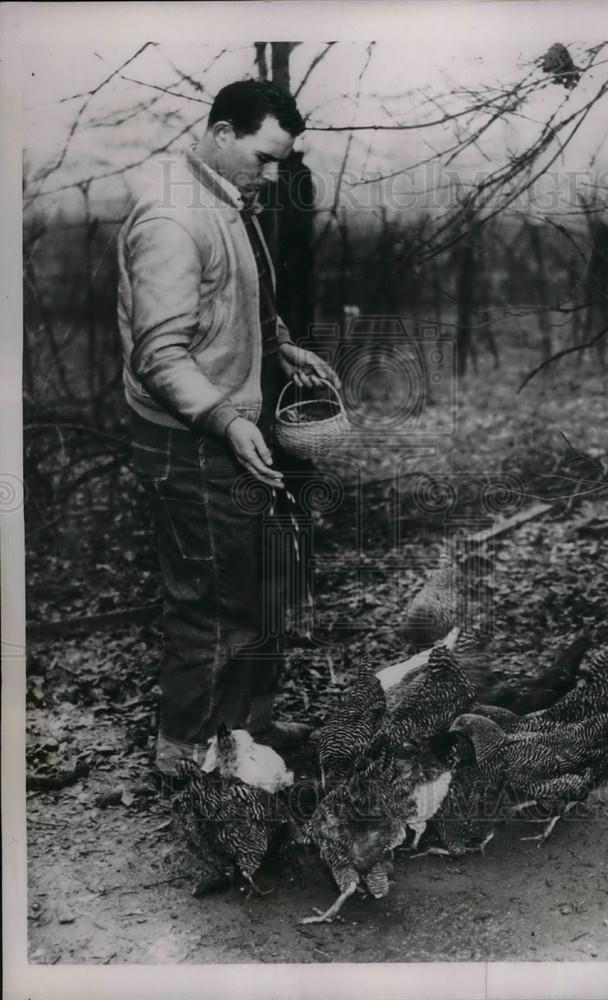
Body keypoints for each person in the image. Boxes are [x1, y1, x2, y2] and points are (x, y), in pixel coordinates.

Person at [117, 79, 338, 775]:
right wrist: (220, 417)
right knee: (211, 595)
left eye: (280, 161)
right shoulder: (171, 221)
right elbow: (160, 353)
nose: (271, 175)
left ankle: (249, 727)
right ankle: (184, 748)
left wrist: (279, 345)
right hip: (189, 442)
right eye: (263, 157)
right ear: (220, 133)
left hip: (232, 426)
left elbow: (237, 293)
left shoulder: (223, 201)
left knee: (258, 582)